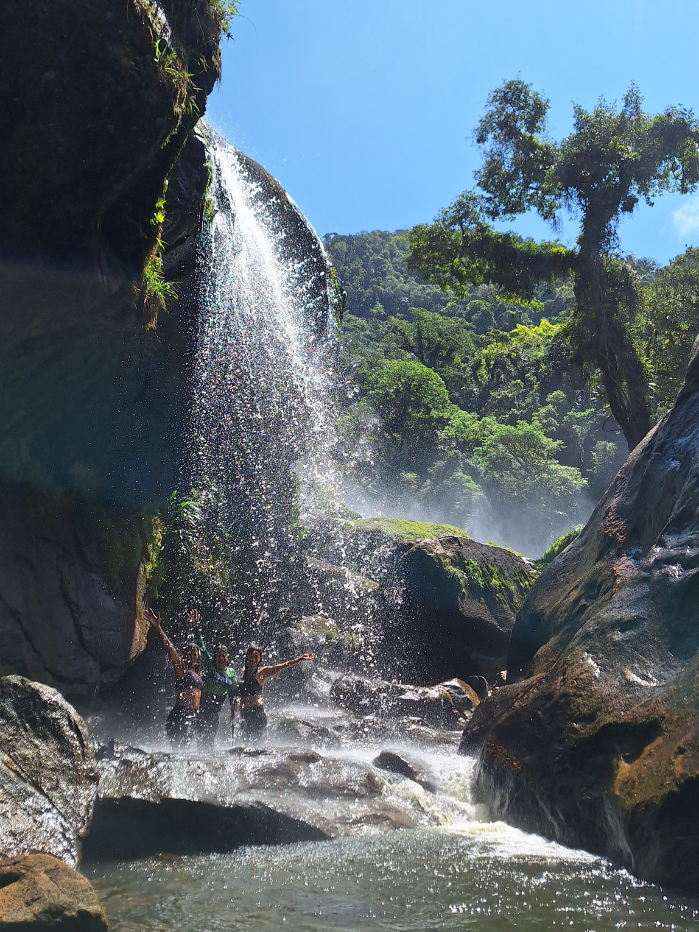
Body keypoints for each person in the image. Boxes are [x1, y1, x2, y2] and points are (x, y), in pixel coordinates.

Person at [146, 607, 203, 745]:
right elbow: (169, 648)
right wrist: (157, 627)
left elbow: (202, 647)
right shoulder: (182, 669)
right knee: (182, 750)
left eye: (194, 653)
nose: (192, 655)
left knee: (186, 751)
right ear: (185, 655)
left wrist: (196, 627)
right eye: (189, 653)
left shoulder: (198, 672)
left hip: (191, 715)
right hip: (181, 714)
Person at [239, 644, 316, 738]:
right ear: (247, 657)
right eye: (251, 657)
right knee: (244, 741)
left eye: (256, 657)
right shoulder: (242, 672)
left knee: (254, 741)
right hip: (244, 713)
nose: (253, 660)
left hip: (256, 713)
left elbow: (281, 666)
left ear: (259, 659)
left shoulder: (262, 672)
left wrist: (300, 659)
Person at [188, 609, 238, 747]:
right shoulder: (211, 666)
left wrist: (234, 704)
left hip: (217, 709)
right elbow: (202, 647)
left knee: (210, 739)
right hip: (204, 706)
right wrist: (195, 627)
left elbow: (233, 692)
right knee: (203, 734)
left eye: (224, 655)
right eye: (218, 655)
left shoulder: (232, 673)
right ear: (214, 658)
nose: (221, 658)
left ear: (227, 658)